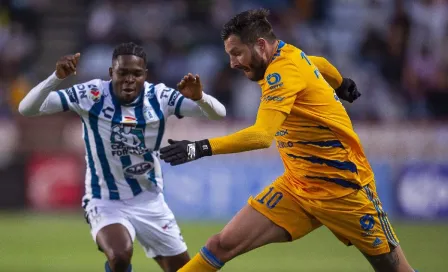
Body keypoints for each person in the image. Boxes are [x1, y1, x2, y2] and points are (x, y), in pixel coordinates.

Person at [159, 9, 417, 272]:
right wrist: (341, 83)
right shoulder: (288, 53)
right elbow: (318, 62)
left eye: (236, 53)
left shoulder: (280, 75)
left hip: (344, 189)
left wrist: (199, 147)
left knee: (395, 270)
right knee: (220, 245)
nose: (232, 63)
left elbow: (261, 136)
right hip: (298, 186)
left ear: (260, 45)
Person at [18, 42, 226, 272]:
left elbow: (218, 114)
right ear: (111, 73)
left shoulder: (159, 96)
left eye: (136, 73)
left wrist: (200, 97)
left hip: (150, 201)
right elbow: (27, 108)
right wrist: (56, 77)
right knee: (119, 255)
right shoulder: (92, 94)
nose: (129, 79)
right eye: (122, 72)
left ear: (145, 75)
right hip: (104, 199)